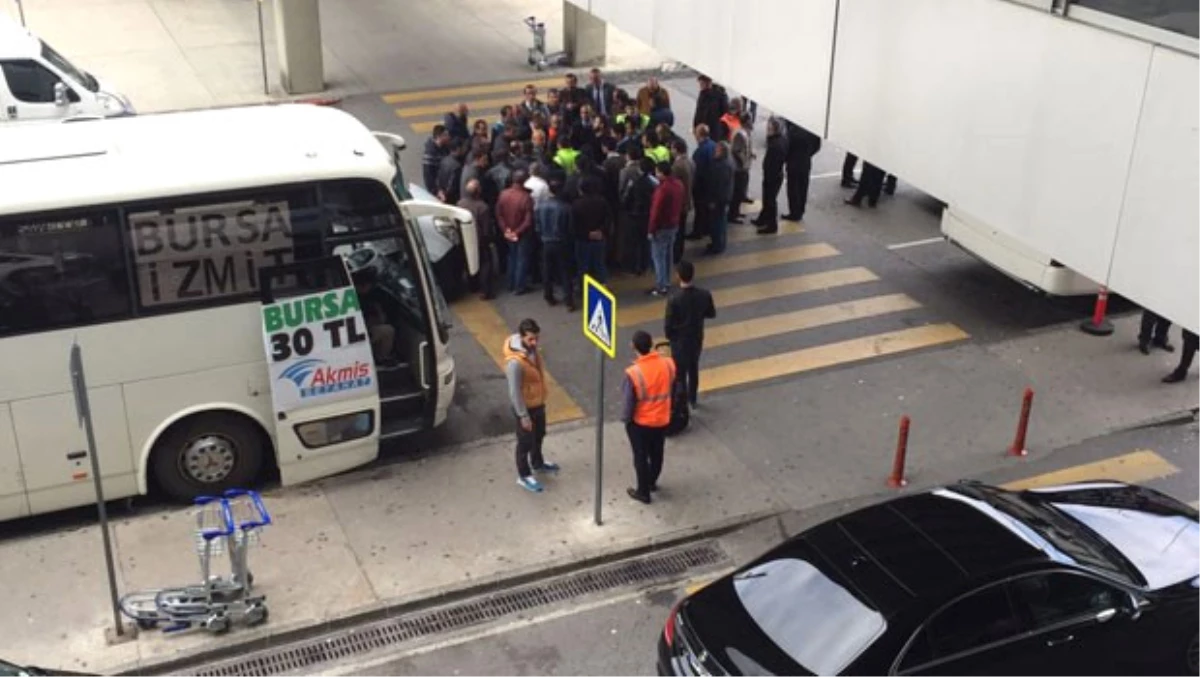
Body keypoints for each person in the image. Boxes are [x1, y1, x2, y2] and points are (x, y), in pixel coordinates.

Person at [503, 319, 560, 493]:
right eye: (530, 339)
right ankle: (524, 475)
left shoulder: (531, 351)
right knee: (525, 442)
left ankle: (537, 463)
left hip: (537, 402)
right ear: (521, 337)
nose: (534, 343)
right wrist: (523, 416)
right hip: (526, 408)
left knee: (539, 434)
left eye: (536, 338)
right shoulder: (515, 363)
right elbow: (514, 392)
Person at [621, 330, 676, 504]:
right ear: (651, 345)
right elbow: (672, 385)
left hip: (641, 422)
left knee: (640, 456)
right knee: (657, 452)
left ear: (633, 346)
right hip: (662, 418)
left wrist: (627, 420)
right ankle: (652, 481)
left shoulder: (634, 373)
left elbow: (629, 402)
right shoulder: (668, 363)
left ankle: (643, 491)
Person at [664, 260, 715, 410]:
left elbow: (668, 326)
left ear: (679, 276)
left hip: (679, 342)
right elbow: (711, 313)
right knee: (694, 368)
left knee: (680, 373)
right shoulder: (704, 295)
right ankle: (693, 399)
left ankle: (682, 402)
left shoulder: (674, 299)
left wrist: (671, 337)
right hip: (696, 337)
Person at [536, 177, 575, 310]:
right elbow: (570, 228)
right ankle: (569, 299)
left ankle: (548, 295)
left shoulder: (541, 206)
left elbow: (537, 225)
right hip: (561, 242)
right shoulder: (565, 208)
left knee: (547, 270)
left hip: (546, 241)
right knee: (565, 271)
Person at [648, 161, 684, 296]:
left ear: (662, 173)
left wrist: (651, 230)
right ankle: (667, 281)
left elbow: (655, 211)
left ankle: (661, 285)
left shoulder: (662, 189)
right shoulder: (678, 184)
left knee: (658, 256)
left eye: (657, 172)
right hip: (673, 224)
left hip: (661, 227)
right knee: (669, 254)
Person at [497, 171, 534, 294]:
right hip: (522, 233)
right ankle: (519, 286)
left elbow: (499, 214)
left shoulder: (503, 194)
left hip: (508, 231)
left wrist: (506, 230)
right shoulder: (526, 197)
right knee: (522, 259)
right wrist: (517, 232)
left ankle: (510, 283)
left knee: (512, 257)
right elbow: (528, 221)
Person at [458, 178, 496, 300]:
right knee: (485, 264)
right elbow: (486, 228)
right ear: (478, 192)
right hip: (480, 240)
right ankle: (486, 291)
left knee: (470, 262)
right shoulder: (483, 207)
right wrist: (489, 240)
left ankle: (472, 286)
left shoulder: (460, 204)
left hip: (465, 238)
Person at [572, 174, 612, 284]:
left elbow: (575, 223)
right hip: (599, 237)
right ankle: (603, 283)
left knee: (583, 265)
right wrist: (601, 231)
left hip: (582, 239)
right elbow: (608, 219)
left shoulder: (576, 204)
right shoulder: (602, 201)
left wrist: (586, 233)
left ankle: (583, 286)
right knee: (600, 263)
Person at [353, 267, 397, 367]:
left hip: (359, 331)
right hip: (357, 334)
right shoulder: (359, 299)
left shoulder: (363, 297)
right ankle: (381, 359)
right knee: (388, 331)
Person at [754, 118, 788, 234]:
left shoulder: (776, 144)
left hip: (773, 176)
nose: (767, 130)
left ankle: (771, 225)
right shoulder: (780, 140)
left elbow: (774, 162)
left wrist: (769, 174)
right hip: (774, 175)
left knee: (770, 200)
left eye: (769, 128)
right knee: (767, 199)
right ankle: (762, 219)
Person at [783, 120, 820, 222]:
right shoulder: (813, 130)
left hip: (793, 163)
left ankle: (794, 212)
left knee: (793, 189)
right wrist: (808, 154)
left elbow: (787, 147)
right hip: (805, 162)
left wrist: (787, 159)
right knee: (803, 187)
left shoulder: (793, 131)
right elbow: (817, 146)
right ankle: (801, 210)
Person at [704, 141, 735, 255]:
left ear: (722, 152)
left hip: (718, 200)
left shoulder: (721, 166)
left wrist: (713, 201)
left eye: (717, 150)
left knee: (717, 223)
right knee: (721, 221)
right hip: (724, 198)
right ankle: (719, 243)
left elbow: (717, 185)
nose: (714, 152)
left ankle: (717, 245)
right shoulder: (728, 163)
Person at [422, 125, 451, 193]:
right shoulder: (430, 154)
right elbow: (429, 177)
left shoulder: (445, 147)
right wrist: (436, 191)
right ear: (439, 137)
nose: (448, 137)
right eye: (445, 135)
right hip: (438, 190)